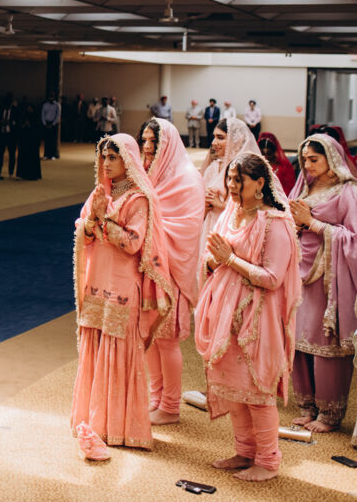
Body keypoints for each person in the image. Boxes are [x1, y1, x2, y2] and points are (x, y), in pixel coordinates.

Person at [194, 153, 298, 482]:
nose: (232, 185)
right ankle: (244, 451)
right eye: (230, 179)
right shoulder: (232, 212)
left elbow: (273, 278)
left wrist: (229, 260)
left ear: (260, 183)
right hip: (225, 314)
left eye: (238, 180)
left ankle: (268, 461)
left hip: (257, 318)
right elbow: (212, 258)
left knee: (256, 392)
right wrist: (214, 261)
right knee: (233, 388)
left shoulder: (274, 223)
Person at [71, 134, 176, 457]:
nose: (106, 163)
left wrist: (103, 220)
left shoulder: (138, 200)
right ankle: (94, 422)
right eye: (103, 157)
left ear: (128, 160)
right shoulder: (99, 193)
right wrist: (91, 221)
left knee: (118, 350)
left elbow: (133, 243)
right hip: (97, 282)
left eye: (113, 157)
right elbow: (83, 229)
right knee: (95, 346)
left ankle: (119, 427)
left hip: (122, 287)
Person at [286, 133, 357, 434]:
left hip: (329, 278)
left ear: (331, 159)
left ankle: (329, 413)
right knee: (298, 339)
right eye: (304, 159)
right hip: (298, 272)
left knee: (324, 341)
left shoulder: (347, 191)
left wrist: (313, 223)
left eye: (314, 159)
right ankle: (307, 406)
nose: (307, 165)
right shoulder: (303, 187)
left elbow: (353, 238)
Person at [138, 118, 204, 426]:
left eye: (154, 141)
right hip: (147, 268)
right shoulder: (147, 171)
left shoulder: (187, 177)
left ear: (168, 143)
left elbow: (187, 228)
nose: (148, 147)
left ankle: (171, 406)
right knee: (149, 336)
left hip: (172, 270)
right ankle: (156, 398)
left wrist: (147, 229)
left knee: (167, 340)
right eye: (144, 140)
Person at [200, 117, 257, 247]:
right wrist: (204, 206)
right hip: (209, 228)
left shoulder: (249, 171)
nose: (214, 142)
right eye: (214, 137)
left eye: (220, 138)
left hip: (235, 232)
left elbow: (256, 210)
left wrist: (221, 205)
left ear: (236, 140)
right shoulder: (213, 168)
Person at [16, 101, 42, 181]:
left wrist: (30, 125)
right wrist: (24, 125)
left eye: (30, 108)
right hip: (25, 141)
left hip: (33, 141)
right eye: (28, 108)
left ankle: (32, 175)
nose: (29, 109)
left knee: (32, 158)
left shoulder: (36, 117)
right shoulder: (24, 116)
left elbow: (38, 129)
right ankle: (23, 174)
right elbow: (19, 126)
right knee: (24, 157)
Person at [0, 94, 18, 178]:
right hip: (1, 134)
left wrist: (10, 122)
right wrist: (0, 122)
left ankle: (11, 172)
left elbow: (17, 122)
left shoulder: (15, 110)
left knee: (12, 154)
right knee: (0, 154)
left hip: (11, 135)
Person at [40, 93, 61, 160]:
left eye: (52, 97)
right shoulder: (45, 105)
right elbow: (42, 115)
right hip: (46, 123)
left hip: (53, 124)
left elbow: (58, 116)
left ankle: (53, 155)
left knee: (53, 140)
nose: (51, 98)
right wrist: (44, 124)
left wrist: (53, 124)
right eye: (50, 97)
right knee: (47, 140)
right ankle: (46, 154)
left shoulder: (57, 105)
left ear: (54, 97)